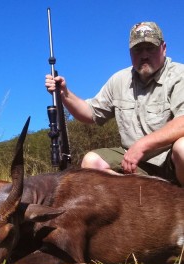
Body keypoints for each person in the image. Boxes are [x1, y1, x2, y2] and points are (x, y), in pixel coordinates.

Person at [45, 22, 184, 186]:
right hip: (131, 163)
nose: (144, 55)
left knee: (182, 148)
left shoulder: (178, 75)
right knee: (91, 162)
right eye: (138, 50)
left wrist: (142, 145)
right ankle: (137, 199)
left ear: (164, 48)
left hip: (170, 162)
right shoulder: (119, 80)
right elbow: (90, 113)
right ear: (130, 52)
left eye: (150, 48)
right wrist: (64, 94)